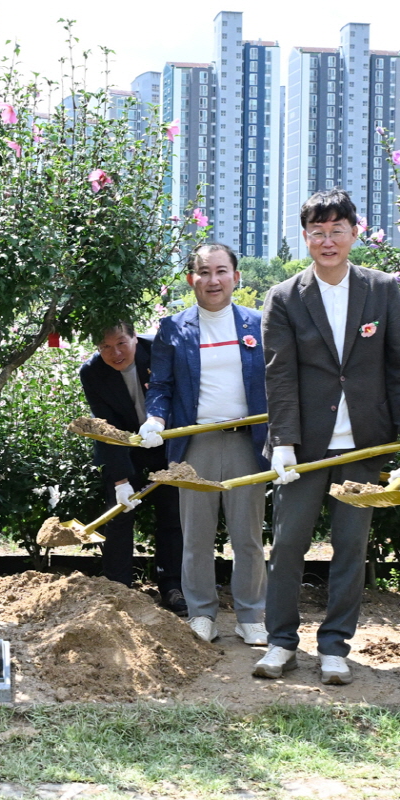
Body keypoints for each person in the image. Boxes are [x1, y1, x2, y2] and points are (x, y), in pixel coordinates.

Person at [256, 190, 400, 684]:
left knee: (351, 546)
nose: (328, 241)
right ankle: (281, 642)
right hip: (304, 445)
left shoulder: (382, 288)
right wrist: (282, 440)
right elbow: (278, 375)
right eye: (318, 232)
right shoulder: (284, 297)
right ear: (306, 237)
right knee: (287, 545)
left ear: (355, 232)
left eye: (337, 230)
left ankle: (334, 646)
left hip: (365, 442)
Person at [143, 243, 270, 646]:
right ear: (190, 279)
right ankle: (202, 613)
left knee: (247, 534)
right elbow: (161, 385)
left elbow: (277, 383)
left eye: (220, 271)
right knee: (195, 535)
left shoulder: (258, 324)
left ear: (235, 276)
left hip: (245, 442)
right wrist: (155, 418)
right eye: (203, 272)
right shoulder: (173, 328)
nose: (212, 280)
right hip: (194, 442)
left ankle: (251, 615)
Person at [78, 321, 183, 611]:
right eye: (106, 347)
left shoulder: (159, 352)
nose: (116, 353)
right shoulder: (92, 372)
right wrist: (120, 480)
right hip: (124, 450)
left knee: (173, 518)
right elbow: (105, 429)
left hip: (168, 445)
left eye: (121, 343)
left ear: (135, 337)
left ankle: (173, 587)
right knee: (119, 516)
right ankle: (117, 589)